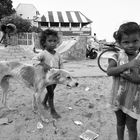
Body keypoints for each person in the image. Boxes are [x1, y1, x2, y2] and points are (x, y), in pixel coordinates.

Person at [107, 22, 140, 140]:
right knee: (120, 123)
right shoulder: (117, 56)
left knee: (131, 126)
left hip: (134, 101)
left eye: (135, 41)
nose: (131, 45)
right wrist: (128, 65)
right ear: (120, 43)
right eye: (126, 42)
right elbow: (109, 71)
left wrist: (135, 79)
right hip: (118, 98)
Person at [33, 29, 63, 119]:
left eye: (54, 41)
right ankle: (52, 110)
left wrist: (62, 72)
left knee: (51, 91)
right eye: (49, 41)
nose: (52, 43)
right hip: (47, 78)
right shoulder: (43, 53)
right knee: (51, 93)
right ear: (44, 42)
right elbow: (34, 60)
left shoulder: (58, 54)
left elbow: (61, 64)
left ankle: (44, 102)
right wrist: (43, 64)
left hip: (56, 77)